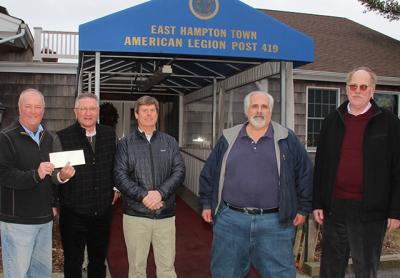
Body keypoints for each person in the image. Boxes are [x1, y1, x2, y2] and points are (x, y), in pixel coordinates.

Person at [199, 90, 313, 277]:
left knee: (280, 274)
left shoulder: (287, 138)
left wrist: (303, 209)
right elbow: (209, 173)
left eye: (264, 107)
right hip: (231, 221)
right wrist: (205, 203)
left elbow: (305, 174)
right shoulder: (228, 138)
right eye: (254, 106)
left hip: (275, 223)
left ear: (270, 111)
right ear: (246, 111)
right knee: (225, 273)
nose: (259, 111)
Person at [313, 66, 400, 278]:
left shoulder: (390, 123)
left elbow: (398, 169)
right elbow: (320, 166)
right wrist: (317, 203)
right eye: (353, 86)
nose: (357, 90)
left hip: (371, 211)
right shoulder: (331, 121)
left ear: (372, 90)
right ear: (346, 88)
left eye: (363, 86)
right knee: (331, 270)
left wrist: (395, 211)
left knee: (365, 270)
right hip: (335, 209)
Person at [0, 88, 75, 278]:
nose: (33, 111)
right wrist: (36, 174)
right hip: (18, 221)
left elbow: (51, 177)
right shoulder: (6, 138)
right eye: (28, 106)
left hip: (43, 220)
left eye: (38, 107)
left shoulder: (49, 138)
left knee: (41, 273)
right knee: (17, 273)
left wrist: (62, 179)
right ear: (19, 109)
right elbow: (4, 175)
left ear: (44, 110)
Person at [114, 95, 185, 278]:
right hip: (136, 216)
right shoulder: (125, 144)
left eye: (152, 110)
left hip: (165, 215)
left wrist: (160, 193)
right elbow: (119, 176)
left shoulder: (170, 142)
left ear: (157, 113)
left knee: (167, 268)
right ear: (136, 115)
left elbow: (179, 171)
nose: (148, 114)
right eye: (144, 111)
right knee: (137, 270)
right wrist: (144, 196)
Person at [55, 93, 119, 278]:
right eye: (83, 108)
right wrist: (61, 177)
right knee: (73, 261)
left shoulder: (109, 134)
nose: (88, 113)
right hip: (73, 213)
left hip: (102, 212)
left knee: (98, 261)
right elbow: (54, 174)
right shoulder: (62, 137)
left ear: (98, 111)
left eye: (92, 108)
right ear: (76, 111)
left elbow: (117, 165)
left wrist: (116, 188)